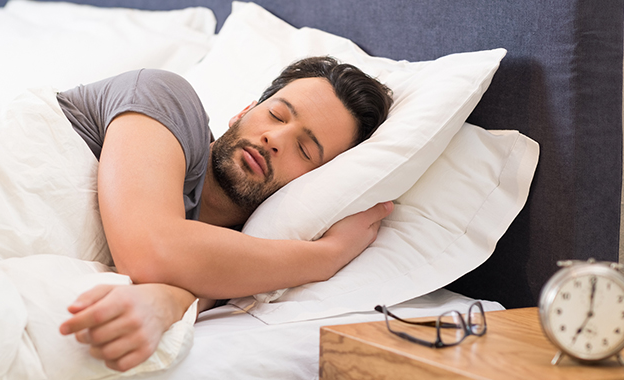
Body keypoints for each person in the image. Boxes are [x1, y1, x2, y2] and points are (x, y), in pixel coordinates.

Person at [56, 56, 394, 371]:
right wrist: (329, 254)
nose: (274, 138)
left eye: (304, 150)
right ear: (246, 110)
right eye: (276, 115)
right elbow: (152, 251)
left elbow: (191, 271)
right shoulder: (165, 98)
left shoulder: (245, 259)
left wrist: (168, 300)